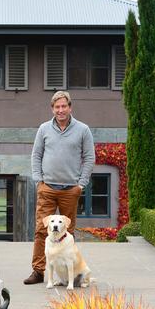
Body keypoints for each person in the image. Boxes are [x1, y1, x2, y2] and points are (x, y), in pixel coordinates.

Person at [23, 91, 95, 285]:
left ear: (70, 107)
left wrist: (81, 184)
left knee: (67, 232)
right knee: (41, 230)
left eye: (64, 106)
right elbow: (36, 155)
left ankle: (70, 275)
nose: (61, 110)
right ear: (52, 109)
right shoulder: (44, 129)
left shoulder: (83, 130)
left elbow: (89, 158)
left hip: (71, 189)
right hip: (47, 188)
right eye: (57, 107)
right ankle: (38, 272)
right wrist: (39, 181)